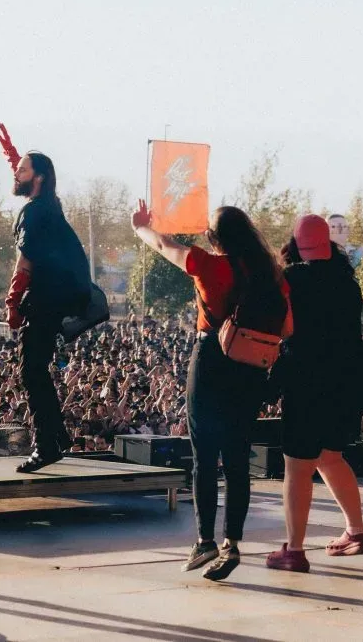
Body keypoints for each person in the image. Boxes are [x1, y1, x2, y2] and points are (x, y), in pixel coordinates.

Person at [132, 201, 290, 582]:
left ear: (214, 238)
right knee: (237, 461)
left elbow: (164, 247)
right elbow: (287, 329)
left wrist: (141, 226)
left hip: (211, 362)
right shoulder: (272, 275)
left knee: (204, 455)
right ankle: (231, 543)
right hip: (251, 368)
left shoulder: (209, 265)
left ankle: (204, 540)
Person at [267, 215, 363, 572]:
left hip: (309, 380)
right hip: (350, 379)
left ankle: (294, 551)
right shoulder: (348, 282)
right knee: (330, 456)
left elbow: (284, 327)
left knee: (297, 466)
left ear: (295, 245)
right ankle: (356, 533)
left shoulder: (293, 279)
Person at [0, 125, 91, 472]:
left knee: (31, 371)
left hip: (44, 299)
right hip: (57, 297)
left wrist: (11, 304)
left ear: (37, 178)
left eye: (21, 168)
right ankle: (57, 436)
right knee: (36, 370)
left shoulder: (33, 212)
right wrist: (12, 154)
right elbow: (30, 176)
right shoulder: (49, 204)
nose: (15, 173)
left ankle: (46, 444)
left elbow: (25, 262)